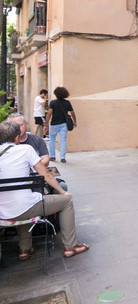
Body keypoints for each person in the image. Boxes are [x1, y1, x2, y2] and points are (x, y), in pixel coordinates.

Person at [0, 122, 89, 260]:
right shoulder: (25, 149)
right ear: (16, 137)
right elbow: (46, 175)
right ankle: (70, 246)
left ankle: (25, 249)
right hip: (23, 209)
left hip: (3, 212)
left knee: (24, 201)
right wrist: (63, 192)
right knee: (66, 201)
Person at [6, 112, 68, 191]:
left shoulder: (37, 140)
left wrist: (28, 166)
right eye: (14, 126)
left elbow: (46, 160)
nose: (18, 129)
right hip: (14, 179)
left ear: (26, 124)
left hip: (37, 175)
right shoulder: (5, 144)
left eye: (20, 125)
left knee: (62, 186)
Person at [43, 87, 77, 163]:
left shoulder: (53, 102)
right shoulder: (67, 103)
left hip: (54, 124)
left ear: (56, 94)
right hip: (64, 124)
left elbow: (49, 114)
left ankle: (52, 156)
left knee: (52, 140)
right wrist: (75, 121)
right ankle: (62, 158)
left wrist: (46, 124)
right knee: (63, 140)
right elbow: (72, 113)